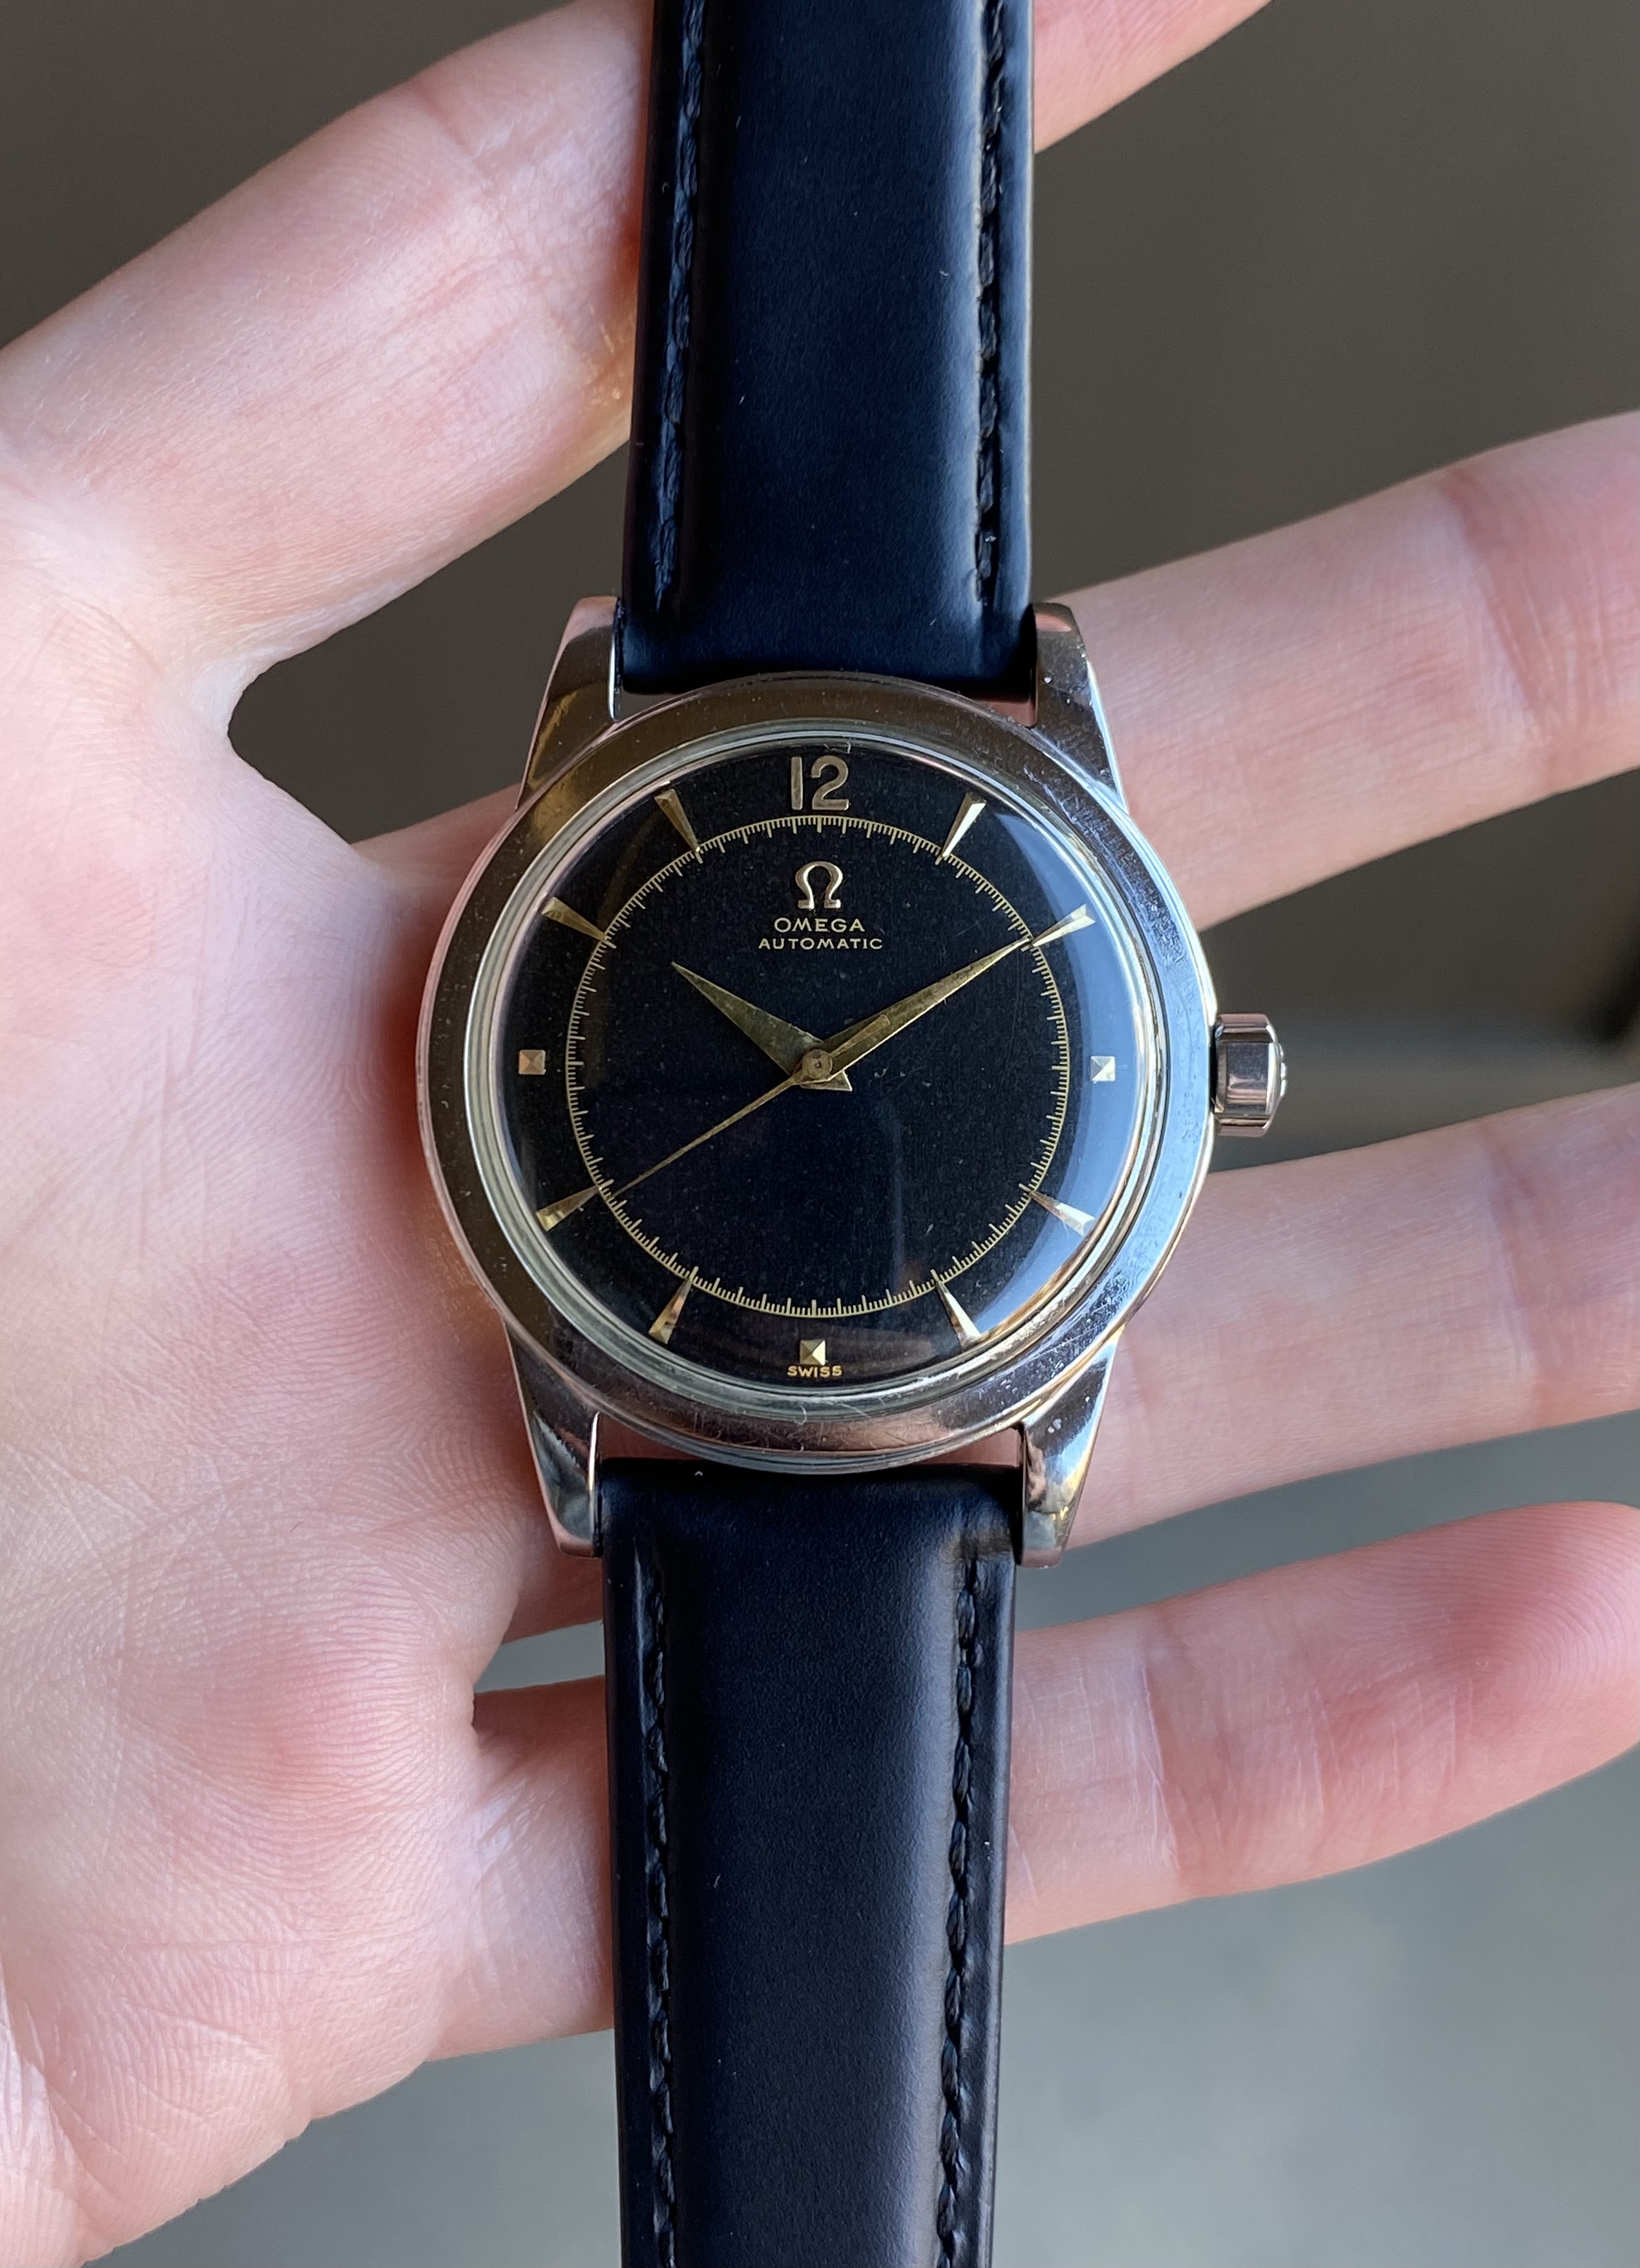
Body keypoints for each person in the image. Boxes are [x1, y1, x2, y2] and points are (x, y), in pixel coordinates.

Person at [0, 2, 1634, 2260]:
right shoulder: (652, 791)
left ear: (1199, 1076)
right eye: (796, 1049)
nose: (818, 1068)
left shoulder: (752, 806)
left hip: (750, 1357)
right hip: (671, 1367)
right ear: (1201, 1069)